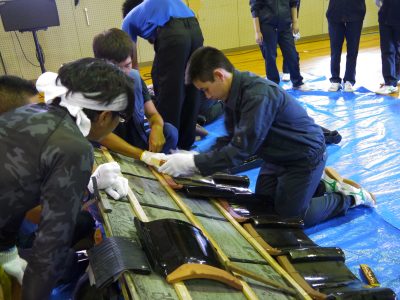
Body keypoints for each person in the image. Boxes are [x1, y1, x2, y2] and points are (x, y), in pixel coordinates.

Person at [159, 46, 375, 227]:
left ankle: (349, 198)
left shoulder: (257, 95)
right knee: (263, 202)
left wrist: (194, 163)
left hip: (303, 157)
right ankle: (320, 186)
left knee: (290, 218)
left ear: (219, 75)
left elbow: (241, 150)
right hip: (277, 155)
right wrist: (195, 156)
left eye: (205, 89)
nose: (207, 96)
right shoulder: (233, 93)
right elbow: (230, 140)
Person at [0, 58, 134, 299]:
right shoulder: (75, 146)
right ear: (104, 116)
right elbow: (49, 249)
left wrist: (7, 249)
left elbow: (11, 192)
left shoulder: (31, 112)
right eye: (119, 119)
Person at [122, 0, 204, 150]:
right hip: (196, 30)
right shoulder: (156, 7)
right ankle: (186, 145)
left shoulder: (128, 20)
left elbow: (131, 68)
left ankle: (167, 147)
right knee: (193, 88)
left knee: (169, 93)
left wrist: (142, 97)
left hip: (173, 33)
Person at [92, 28, 178, 161]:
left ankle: (153, 167)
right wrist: (140, 154)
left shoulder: (135, 78)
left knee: (170, 131)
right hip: (109, 145)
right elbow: (101, 135)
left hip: (135, 136)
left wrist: (157, 127)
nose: (124, 73)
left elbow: (152, 114)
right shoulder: (91, 86)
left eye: (127, 65)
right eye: (116, 68)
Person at [250, 0, 309, 90]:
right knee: (270, 56)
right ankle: (273, 84)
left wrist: (295, 22)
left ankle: (297, 82)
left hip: (285, 26)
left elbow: (293, 4)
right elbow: (254, 10)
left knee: (292, 54)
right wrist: (257, 31)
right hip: (267, 27)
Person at [326, 0, 366, 92]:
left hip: (355, 12)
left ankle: (349, 80)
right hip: (335, 12)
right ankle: (335, 79)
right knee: (335, 49)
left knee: (353, 49)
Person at [374, 0, 400, 95]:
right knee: (387, 49)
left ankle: (395, 78)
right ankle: (390, 81)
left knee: (397, 49)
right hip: (385, 16)